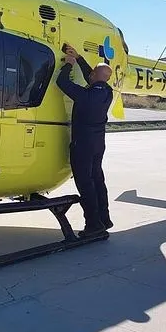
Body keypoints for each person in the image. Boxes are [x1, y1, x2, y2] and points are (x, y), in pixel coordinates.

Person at [55, 43, 114, 236]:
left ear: (95, 77)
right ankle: (104, 218)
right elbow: (94, 75)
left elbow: (62, 82)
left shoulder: (85, 95)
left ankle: (93, 224)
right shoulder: (107, 92)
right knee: (97, 178)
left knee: (85, 182)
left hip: (83, 144)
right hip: (98, 143)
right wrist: (79, 58)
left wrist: (69, 64)